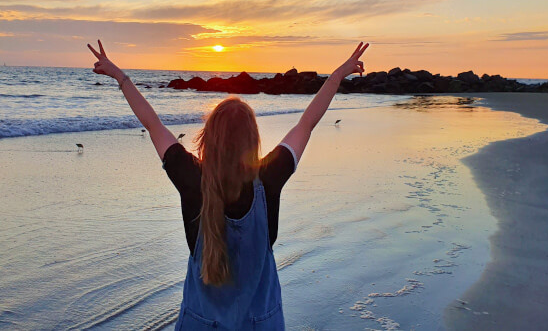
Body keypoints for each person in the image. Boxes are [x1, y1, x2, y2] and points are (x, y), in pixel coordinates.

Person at [87, 40, 369, 330]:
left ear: (209, 137)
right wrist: (338, 74)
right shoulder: (270, 175)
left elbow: (152, 123)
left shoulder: (191, 178)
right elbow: (307, 123)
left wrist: (120, 77)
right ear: (252, 139)